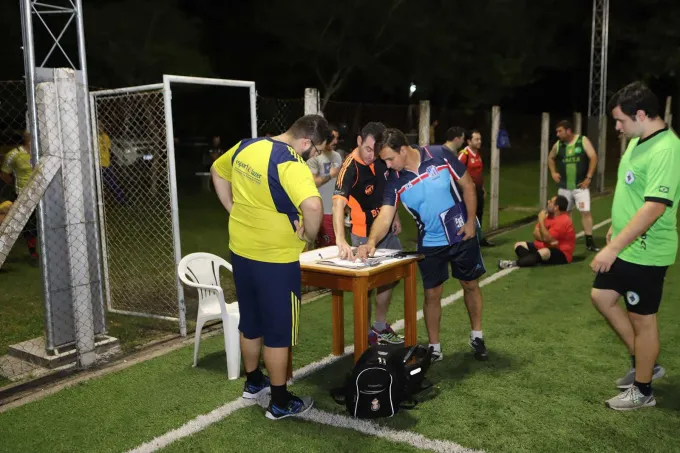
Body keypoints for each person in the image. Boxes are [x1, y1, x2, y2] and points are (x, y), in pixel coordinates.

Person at [211, 114, 328, 420]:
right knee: (278, 330)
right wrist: (310, 235)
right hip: (275, 259)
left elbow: (217, 170)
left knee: (251, 322)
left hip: (242, 251)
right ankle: (279, 400)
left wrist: (231, 208)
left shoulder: (246, 146)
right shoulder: (290, 161)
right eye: (315, 152)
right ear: (306, 142)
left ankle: (253, 383)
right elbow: (313, 205)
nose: (313, 157)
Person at [356, 128, 489, 362]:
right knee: (432, 294)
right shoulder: (394, 182)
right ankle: (435, 348)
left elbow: (468, 185)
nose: (387, 165)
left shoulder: (440, 155)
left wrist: (470, 221)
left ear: (404, 149)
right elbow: (385, 216)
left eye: (390, 158)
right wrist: (371, 242)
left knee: (470, 283)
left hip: (461, 234)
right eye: (383, 160)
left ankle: (477, 335)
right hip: (430, 243)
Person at [590, 81, 680, 411]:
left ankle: (643, 391)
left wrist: (613, 247)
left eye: (620, 121)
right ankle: (646, 362)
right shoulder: (638, 140)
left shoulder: (667, 149)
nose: (617, 127)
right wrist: (616, 224)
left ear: (640, 114)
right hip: (627, 244)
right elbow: (632, 191)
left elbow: (655, 205)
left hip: (645, 251)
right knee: (602, 297)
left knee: (643, 320)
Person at [332, 122, 404, 345]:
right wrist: (341, 239)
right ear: (359, 141)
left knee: (391, 278)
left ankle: (380, 326)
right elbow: (337, 205)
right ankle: (364, 336)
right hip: (363, 238)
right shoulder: (350, 168)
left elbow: (388, 190)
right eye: (368, 150)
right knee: (365, 288)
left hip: (388, 232)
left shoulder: (383, 158)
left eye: (377, 151)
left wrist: (395, 216)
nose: (373, 156)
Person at [548, 120, 600, 252]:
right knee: (564, 213)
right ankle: (565, 238)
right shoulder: (558, 145)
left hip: (580, 187)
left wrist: (588, 177)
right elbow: (550, 157)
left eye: (560, 131)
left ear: (568, 131)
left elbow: (593, 157)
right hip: (564, 187)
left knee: (585, 212)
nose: (557, 134)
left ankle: (589, 241)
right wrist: (553, 172)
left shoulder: (582, 141)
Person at [498, 195, 575, 269]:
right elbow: (535, 233)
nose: (548, 201)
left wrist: (541, 221)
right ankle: (533, 259)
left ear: (556, 207)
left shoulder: (563, 220)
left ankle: (512, 264)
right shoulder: (548, 216)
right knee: (518, 245)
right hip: (545, 245)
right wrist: (546, 239)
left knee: (544, 252)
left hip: (561, 253)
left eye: (551, 201)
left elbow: (546, 238)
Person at [1, 130, 38, 266]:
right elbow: (5, 173)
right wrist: (14, 185)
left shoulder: (42, 153)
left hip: (43, 193)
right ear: (27, 139)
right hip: (24, 195)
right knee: (29, 225)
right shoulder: (14, 154)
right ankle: (33, 252)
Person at [307, 125, 343, 248]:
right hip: (320, 210)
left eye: (337, 138)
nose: (335, 142)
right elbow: (312, 183)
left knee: (334, 245)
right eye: (332, 138)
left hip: (335, 209)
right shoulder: (314, 157)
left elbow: (340, 181)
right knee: (322, 247)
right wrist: (330, 175)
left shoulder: (337, 156)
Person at [458, 129, 494, 247]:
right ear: (469, 141)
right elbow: (455, 172)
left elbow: (479, 173)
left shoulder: (478, 154)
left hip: (478, 191)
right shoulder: (464, 155)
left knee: (479, 214)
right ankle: (466, 240)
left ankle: (479, 238)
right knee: (468, 215)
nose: (479, 142)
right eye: (476, 139)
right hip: (468, 192)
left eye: (480, 139)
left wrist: (482, 188)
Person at [98, 127, 125, 204]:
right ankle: (116, 198)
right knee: (107, 182)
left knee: (112, 182)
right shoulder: (94, 137)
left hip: (106, 164)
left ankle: (120, 198)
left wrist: (112, 158)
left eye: (101, 127)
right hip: (98, 164)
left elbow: (108, 149)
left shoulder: (105, 137)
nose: (100, 129)